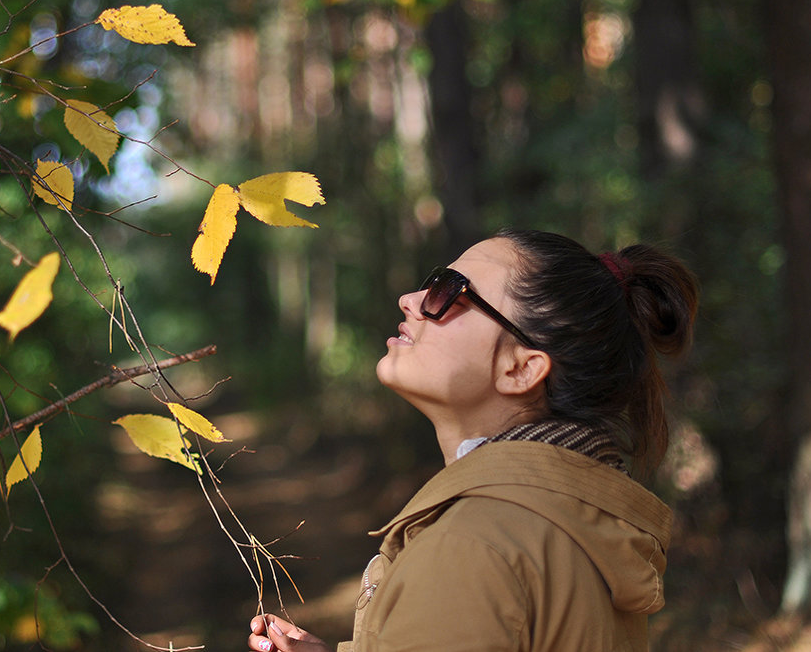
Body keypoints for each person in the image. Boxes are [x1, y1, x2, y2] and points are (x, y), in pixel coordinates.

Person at [247, 229, 698, 652]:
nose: (410, 300)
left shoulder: (470, 549)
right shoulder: (575, 525)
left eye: (448, 291)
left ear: (521, 369)